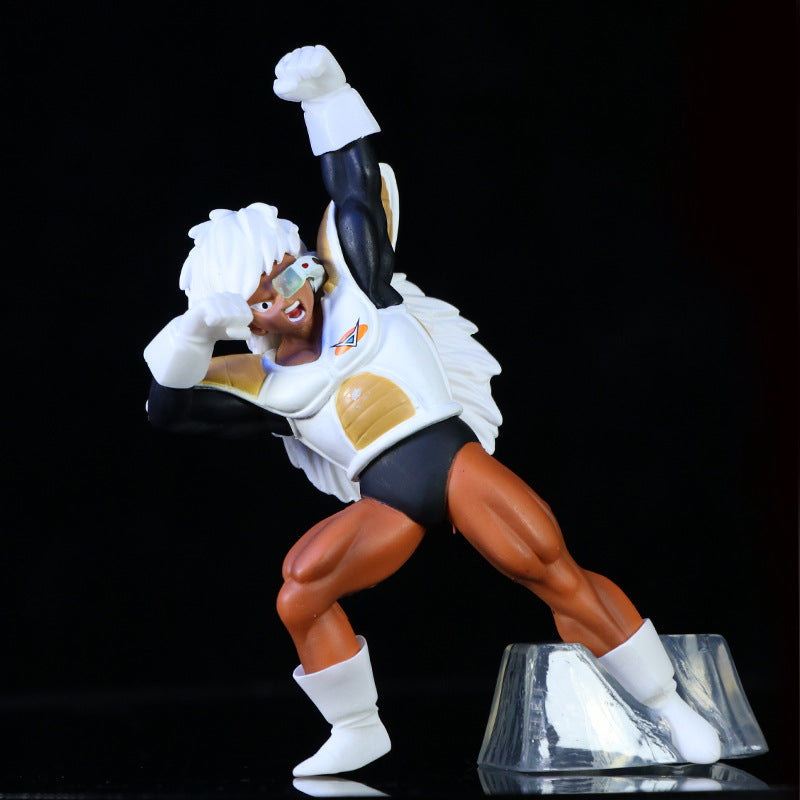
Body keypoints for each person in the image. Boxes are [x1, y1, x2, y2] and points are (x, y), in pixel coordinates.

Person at [144, 45, 721, 777]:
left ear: (305, 263)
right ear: (243, 319)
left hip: (449, 461)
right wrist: (197, 328)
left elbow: (355, 188)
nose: (287, 299)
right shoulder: (266, 385)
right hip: (386, 499)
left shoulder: (358, 287)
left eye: (289, 275)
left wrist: (328, 95)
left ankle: (667, 704)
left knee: (549, 566)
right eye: (261, 299)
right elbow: (169, 408)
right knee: (300, 588)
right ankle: (357, 727)